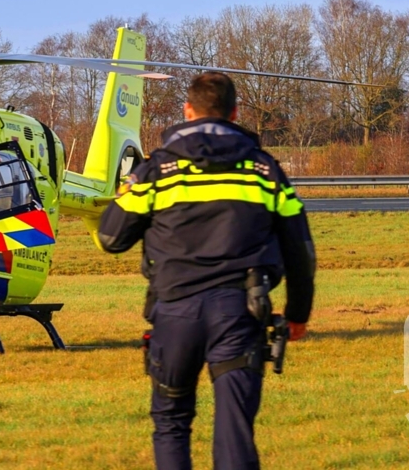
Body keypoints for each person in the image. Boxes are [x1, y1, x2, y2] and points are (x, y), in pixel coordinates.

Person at [97, 72, 316, 470]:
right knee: (234, 429)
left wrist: (129, 191)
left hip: (175, 312)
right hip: (240, 312)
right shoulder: (265, 170)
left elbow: (110, 239)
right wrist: (299, 313)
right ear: (234, 113)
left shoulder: (157, 170)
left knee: (172, 422)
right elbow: (300, 249)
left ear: (187, 111)